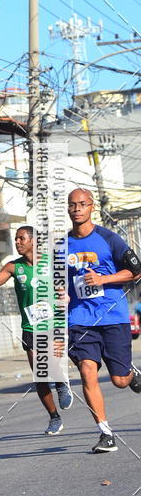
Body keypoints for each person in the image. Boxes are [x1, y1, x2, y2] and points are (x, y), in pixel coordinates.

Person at [0, 225, 73, 435]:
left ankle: (61, 383)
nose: (17, 242)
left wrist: (64, 296)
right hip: (30, 325)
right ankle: (54, 418)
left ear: (33, 241)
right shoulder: (13, 267)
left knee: (49, 360)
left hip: (53, 323)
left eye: (21, 238)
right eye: (16, 239)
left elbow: (64, 288)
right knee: (40, 376)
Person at [66, 188, 141, 452]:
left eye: (82, 204)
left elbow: (136, 271)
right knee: (87, 371)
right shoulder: (61, 245)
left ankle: (131, 375)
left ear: (91, 207)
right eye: (72, 205)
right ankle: (105, 433)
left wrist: (103, 279)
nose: (77, 209)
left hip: (112, 316)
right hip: (79, 319)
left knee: (119, 380)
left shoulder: (109, 239)